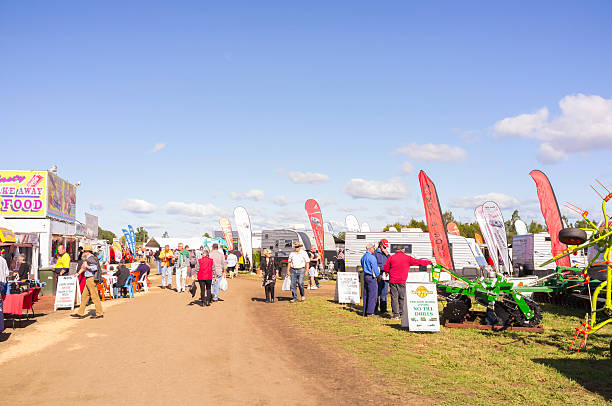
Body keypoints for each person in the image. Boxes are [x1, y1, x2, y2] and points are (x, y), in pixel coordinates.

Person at [384, 246, 432, 320]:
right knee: (402, 297)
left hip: (393, 280)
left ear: (396, 250)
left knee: (394, 297)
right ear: (403, 250)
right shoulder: (407, 258)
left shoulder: (391, 257)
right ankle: (402, 314)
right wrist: (429, 262)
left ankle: (395, 315)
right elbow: (418, 262)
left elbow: (386, 267)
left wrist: (387, 272)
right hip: (402, 280)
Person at [71, 245, 104, 319]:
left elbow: (94, 268)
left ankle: (99, 313)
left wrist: (88, 266)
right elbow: (83, 267)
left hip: (91, 279)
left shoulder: (91, 259)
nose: (83, 253)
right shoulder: (88, 259)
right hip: (88, 278)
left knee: (94, 296)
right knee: (84, 296)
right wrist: (78, 273)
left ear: (87, 252)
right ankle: (80, 313)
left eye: (84, 252)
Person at [361, 243, 380, 317]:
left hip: (365, 276)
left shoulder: (363, 257)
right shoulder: (372, 257)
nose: (374, 250)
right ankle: (370, 312)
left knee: (366, 294)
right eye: (373, 248)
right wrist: (378, 276)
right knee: (373, 295)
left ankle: (365, 311)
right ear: (370, 249)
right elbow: (375, 269)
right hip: (371, 277)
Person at [374, 239, 390, 315]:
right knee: (377, 292)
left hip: (386, 274)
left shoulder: (386, 253)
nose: (385, 248)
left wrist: (387, 254)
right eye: (384, 246)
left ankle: (383, 309)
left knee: (385, 292)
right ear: (381, 245)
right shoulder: (375, 253)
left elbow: (391, 261)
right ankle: (375, 308)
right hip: (379, 274)